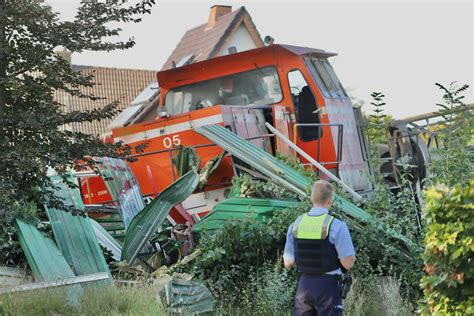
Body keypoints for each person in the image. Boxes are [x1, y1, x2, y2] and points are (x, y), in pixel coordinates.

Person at [283, 180, 356, 316]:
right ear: (330, 200)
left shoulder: (296, 224)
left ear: (312, 198)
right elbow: (348, 263)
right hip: (328, 286)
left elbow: (288, 262)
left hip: (304, 287)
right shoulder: (336, 225)